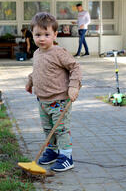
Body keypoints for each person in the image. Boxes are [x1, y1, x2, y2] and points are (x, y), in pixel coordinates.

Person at [25, 12, 81, 172]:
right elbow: (38, 71)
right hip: (42, 100)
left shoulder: (58, 52)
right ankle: (52, 151)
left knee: (61, 129)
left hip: (60, 100)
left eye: (46, 34)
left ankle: (66, 156)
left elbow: (75, 67)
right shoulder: (36, 53)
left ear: (55, 34)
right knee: (48, 129)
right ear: (32, 35)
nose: (42, 38)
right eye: (37, 35)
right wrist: (30, 81)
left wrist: (74, 86)